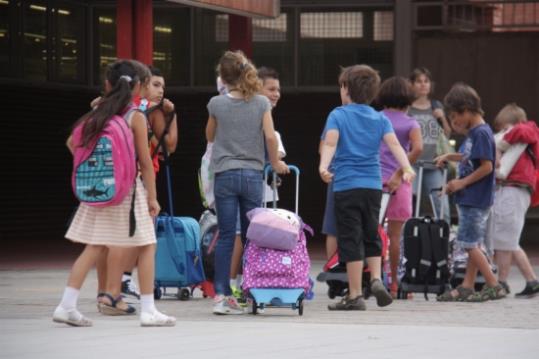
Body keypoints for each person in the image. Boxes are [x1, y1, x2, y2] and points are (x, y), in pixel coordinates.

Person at [53, 60, 176, 327]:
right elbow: (145, 163)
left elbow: (72, 142)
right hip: (127, 194)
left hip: (98, 192)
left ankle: (67, 305)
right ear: (140, 87)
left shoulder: (100, 112)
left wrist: (99, 170)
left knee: (94, 247)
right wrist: (152, 198)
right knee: (147, 246)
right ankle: (148, 310)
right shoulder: (136, 117)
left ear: (108, 85)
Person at [319, 65, 416, 311]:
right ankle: (375, 278)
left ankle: (354, 295)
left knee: (351, 238)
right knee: (372, 232)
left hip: (347, 185)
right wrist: (406, 167)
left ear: (345, 89)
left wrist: (323, 166)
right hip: (373, 185)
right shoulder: (379, 117)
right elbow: (395, 146)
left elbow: (330, 142)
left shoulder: (338, 115)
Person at [205, 51, 289, 315]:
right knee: (253, 236)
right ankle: (252, 291)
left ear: (224, 78)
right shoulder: (262, 103)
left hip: (225, 175)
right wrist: (275, 162)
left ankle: (221, 295)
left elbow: (210, 135)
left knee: (228, 235)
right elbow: (270, 138)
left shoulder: (216, 104)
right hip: (252, 175)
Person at [435, 83, 506, 302]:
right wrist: (448, 157)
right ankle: (467, 285)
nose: (454, 124)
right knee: (472, 242)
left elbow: (487, 166)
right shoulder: (475, 133)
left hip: (475, 199)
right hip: (472, 198)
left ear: (466, 109)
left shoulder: (481, 133)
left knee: (468, 243)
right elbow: (469, 157)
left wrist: (461, 183)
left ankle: (493, 285)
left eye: (455, 118)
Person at [120, 64, 179, 301]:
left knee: (122, 234)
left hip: (121, 177)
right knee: (143, 235)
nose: (160, 90)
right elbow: (169, 147)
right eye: (155, 84)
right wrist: (173, 116)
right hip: (141, 179)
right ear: (142, 85)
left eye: (163, 86)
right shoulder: (149, 111)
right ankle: (126, 282)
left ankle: (115, 285)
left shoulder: (121, 108)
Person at [228, 66, 286, 300]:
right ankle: (236, 283)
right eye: (271, 89)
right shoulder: (257, 119)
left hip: (257, 186)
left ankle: (242, 282)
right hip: (252, 186)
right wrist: (276, 161)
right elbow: (277, 155)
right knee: (243, 235)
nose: (276, 94)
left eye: (278, 90)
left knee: (245, 235)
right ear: (256, 88)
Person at [376, 76, 423, 298]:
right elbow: (418, 149)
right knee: (396, 236)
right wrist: (400, 171)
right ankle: (395, 283)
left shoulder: (376, 118)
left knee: (373, 232)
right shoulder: (411, 123)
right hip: (400, 182)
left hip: (374, 180)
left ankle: (374, 279)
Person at [487, 103, 539, 297]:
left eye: (504, 127)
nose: (503, 132)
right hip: (514, 190)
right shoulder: (524, 134)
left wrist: (500, 145)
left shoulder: (525, 130)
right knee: (506, 239)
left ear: (515, 122)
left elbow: (523, 130)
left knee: (507, 240)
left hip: (513, 189)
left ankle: (526, 280)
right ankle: (505, 281)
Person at [408, 67, 451, 224]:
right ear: (411, 84)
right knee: (408, 205)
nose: (423, 85)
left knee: (442, 207)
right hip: (412, 165)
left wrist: (443, 118)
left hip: (433, 164)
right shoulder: (407, 107)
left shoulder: (436, 106)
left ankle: (444, 243)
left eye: (426, 81)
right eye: (418, 81)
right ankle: (407, 241)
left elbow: (447, 134)